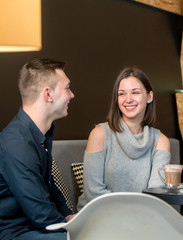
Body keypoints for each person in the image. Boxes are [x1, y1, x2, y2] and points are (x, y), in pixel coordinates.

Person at [0, 59, 76, 240]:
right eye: (67, 88)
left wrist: (69, 217)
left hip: (37, 228)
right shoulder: (17, 142)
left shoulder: (40, 134)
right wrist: (76, 231)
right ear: (48, 94)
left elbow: (51, 190)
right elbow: (40, 213)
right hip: (16, 233)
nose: (72, 95)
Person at [77, 67, 170, 210]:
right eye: (122, 94)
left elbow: (155, 195)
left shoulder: (161, 141)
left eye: (135, 92)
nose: (128, 99)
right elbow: (93, 193)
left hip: (142, 216)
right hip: (100, 213)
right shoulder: (99, 134)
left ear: (149, 97)